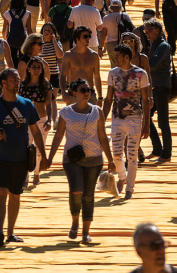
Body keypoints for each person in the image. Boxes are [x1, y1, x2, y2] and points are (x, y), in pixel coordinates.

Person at [0, 68, 49, 246]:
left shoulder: (27, 105)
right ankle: (0, 232)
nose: (17, 82)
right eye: (13, 80)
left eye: (18, 80)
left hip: (21, 158)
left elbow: (36, 131)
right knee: (0, 193)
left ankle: (10, 233)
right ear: (3, 83)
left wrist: (45, 156)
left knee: (16, 195)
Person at [46, 78, 114, 242]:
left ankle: (85, 231)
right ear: (74, 93)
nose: (87, 93)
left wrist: (111, 160)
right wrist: (49, 158)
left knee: (88, 195)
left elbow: (103, 136)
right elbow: (58, 136)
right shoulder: (65, 112)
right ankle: (75, 223)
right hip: (72, 159)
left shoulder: (97, 111)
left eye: (88, 90)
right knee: (76, 190)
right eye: (83, 90)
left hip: (94, 159)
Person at [103, 45, 150, 200]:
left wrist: (146, 124)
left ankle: (129, 188)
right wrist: (102, 121)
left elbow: (145, 100)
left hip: (135, 118)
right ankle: (122, 177)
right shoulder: (112, 73)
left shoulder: (140, 74)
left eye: (117, 56)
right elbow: (108, 98)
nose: (115, 58)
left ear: (126, 57)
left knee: (132, 154)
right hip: (117, 118)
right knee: (116, 153)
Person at [18, 58, 53, 185]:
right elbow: (17, 103)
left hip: (41, 120)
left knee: (40, 148)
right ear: (28, 69)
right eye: (34, 67)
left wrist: (49, 120)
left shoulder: (46, 85)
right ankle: (25, 175)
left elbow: (48, 105)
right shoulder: (22, 85)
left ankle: (37, 173)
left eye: (39, 67)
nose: (36, 69)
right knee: (26, 148)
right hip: (26, 121)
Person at [143, 19, 173, 163]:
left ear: (158, 31)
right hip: (154, 86)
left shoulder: (163, 46)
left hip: (161, 87)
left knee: (163, 121)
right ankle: (157, 149)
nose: (146, 33)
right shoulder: (154, 44)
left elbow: (153, 64)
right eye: (145, 30)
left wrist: (140, 61)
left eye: (149, 30)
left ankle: (166, 154)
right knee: (146, 117)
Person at [60, 27, 103, 105]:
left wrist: (100, 97)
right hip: (73, 95)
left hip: (89, 94)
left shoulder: (94, 55)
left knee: (91, 117)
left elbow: (97, 77)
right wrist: (63, 92)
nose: (88, 39)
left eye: (89, 36)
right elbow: (63, 75)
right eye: (85, 36)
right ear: (77, 39)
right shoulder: (68, 55)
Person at [102, 0, 134, 68]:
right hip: (123, 42)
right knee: (124, 62)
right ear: (120, 7)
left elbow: (104, 34)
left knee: (114, 64)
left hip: (110, 44)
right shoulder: (125, 15)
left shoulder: (106, 18)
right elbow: (133, 28)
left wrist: (100, 47)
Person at [2, 0, 31, 64]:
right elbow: (30, 30)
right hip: (23, 40)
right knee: (22, 61)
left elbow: (4, 31)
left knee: (12, 61)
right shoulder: (27, 13)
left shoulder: (7, 13)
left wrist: (5, 40)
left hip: (11, 41)